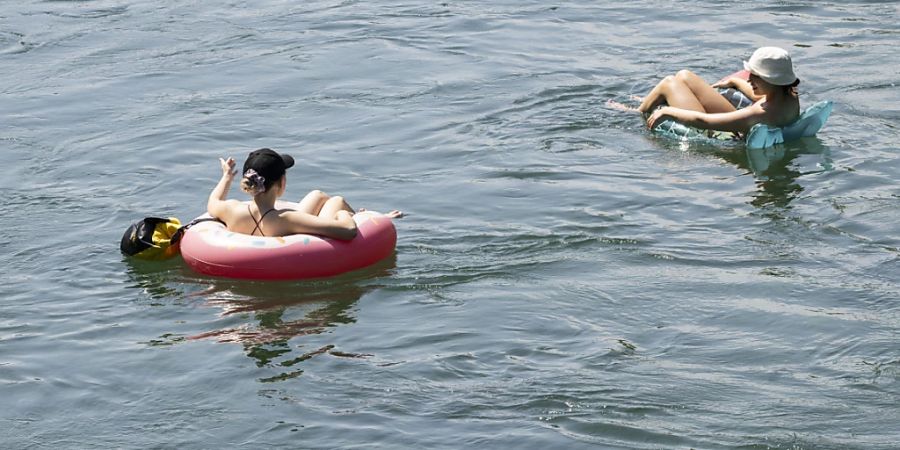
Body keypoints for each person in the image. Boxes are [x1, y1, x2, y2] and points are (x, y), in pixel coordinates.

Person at [207, 148, 402, 240]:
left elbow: (213, 202)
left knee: (317, 195)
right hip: (282, 232)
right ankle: (361, 213)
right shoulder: (289, 219)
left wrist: (226, 177)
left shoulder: (231, 208)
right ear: (281, 182)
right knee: (337, 201)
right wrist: (350, 216)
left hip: (260, 225)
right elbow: (348, 231)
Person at [609, 47, 801, 135]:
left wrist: (667, 111)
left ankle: (639, 111)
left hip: (717, 131)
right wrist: (734, 81)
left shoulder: (758, 113)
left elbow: (703, 122)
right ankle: (657, 98)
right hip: (738, 120)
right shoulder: (789, 95)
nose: (749, 78)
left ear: (770, 80)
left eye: (755, 75)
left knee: (669, 83)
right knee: (684, 75)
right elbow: (755, 96)